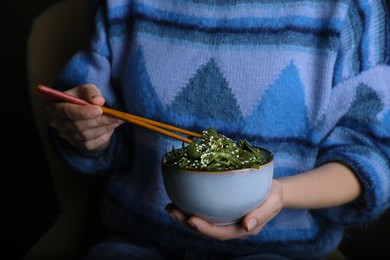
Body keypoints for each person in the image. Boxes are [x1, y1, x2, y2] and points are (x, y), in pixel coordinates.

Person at [44, 0, 390, 259]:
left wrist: (279, 194)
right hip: (139, 238)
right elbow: (98, 127)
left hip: (281, 250)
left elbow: (372, 153)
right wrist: (87, 131)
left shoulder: (348, 8)